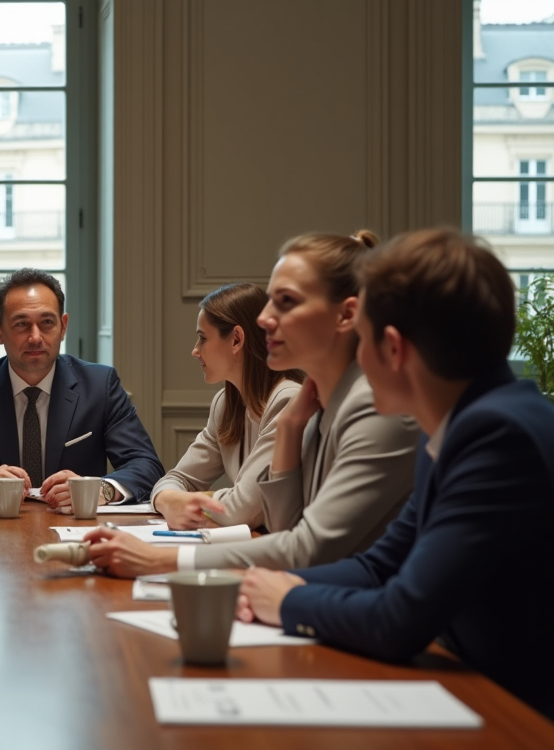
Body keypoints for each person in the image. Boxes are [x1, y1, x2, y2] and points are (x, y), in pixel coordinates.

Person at [237, 229, 554, 749]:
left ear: (392, 348)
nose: (358, 361)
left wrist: (289, 601)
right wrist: (264, 587)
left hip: (547, 721)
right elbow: (379, 565)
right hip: (485, 693)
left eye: (362, 341)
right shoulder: (466, 424)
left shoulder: (499, 434)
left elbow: (401, 617)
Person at [87, 232, 418, 576]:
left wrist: (163, 560)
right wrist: (290, 432)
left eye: (286, 301)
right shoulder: (318, 405)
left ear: (346, 315)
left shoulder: (374, 407)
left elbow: (307, 546)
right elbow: (284, 524)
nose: (263, 318)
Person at [0, 268, 164, 509]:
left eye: (47, 322)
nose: (35, 336)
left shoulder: (99, 385)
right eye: (21, 324)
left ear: (63, 327)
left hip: (76, 530)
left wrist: (100, 490)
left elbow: (146, 466)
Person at [150, 283, 303, 530]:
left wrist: (191, 501)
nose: (195, 351)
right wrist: (166, 499)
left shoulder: (288, 400)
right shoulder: (225, 404)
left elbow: (241, 510)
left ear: (236, 339)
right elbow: (177, 479)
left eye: (202, 338)